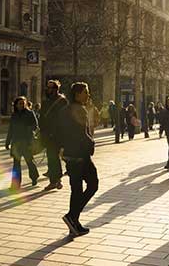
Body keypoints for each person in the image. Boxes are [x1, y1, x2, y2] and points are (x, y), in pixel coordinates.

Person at [58, 82, 98, 237]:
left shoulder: (64, 110)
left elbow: (60, 132)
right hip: (80, 155)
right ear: (77, 94)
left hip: (69, 154)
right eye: (85, 92)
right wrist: (91, 143)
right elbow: (82, 134)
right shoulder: (79, 110)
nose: (88, 95)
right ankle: (72, 216)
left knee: (76, 189)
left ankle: (73, 223)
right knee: (93, 184)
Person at [39, 80, 69, 191]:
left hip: (58, 134)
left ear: (57, 89)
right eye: (48, 88)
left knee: (54, 157)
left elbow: (65, 119)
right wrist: (42, 131)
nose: (49, 90)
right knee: (52, 157)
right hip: (47, 134)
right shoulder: (46, 101)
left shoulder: (62, 101)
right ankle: (56, 180)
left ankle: (55, 180)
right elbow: (42, 117)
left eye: (52, 88)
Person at [5, 96, 39, 190]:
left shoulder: (30, 113)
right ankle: (15, 184)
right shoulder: (14, 115)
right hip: (16, 142)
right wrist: (7, 141)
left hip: (26, 141)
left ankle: (34, 176)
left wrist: (29, 129)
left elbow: (35, 125)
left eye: (23, 103)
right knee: (16, 164)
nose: (21, 105)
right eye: (20, 103)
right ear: (16, 105)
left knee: (29, 161)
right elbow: (10, 129)